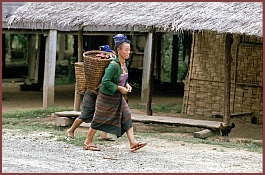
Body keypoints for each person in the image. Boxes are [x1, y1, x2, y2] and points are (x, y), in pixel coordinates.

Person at [83, 34, 147, 152]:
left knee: (127, 115)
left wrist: (126, 85)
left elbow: (123, 78)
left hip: (118, 96)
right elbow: (105, 81)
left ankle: (132, 142)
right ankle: (88, 141)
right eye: (126, 50)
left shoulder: (125, 64)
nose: (129, 52)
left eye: (129, 50)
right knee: (99, 118)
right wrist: (119, 88)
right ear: (119, 50)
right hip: (106, 96)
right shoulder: (113, 65)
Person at [65, 45, 116, 142]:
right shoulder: (94, 63)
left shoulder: (109, 64)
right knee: (85, 114)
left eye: (107, 54)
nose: (105, 56)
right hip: (92, 92)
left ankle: (104, 134)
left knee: (103, 114)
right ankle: (71, 130)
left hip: (102, 92)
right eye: (104, 54)